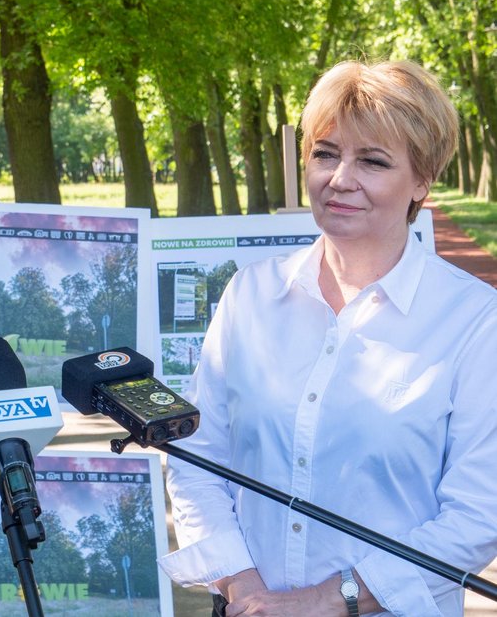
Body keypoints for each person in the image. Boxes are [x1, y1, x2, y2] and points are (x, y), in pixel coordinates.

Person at [162, 60, 497, 617]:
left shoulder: (476, 321)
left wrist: (328, 600)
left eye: (373, 160)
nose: (340, 178)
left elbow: (478, 514)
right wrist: (246, 591)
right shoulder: (250, 295)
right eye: (325, 153)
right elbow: (197, 455)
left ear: (422, 180)